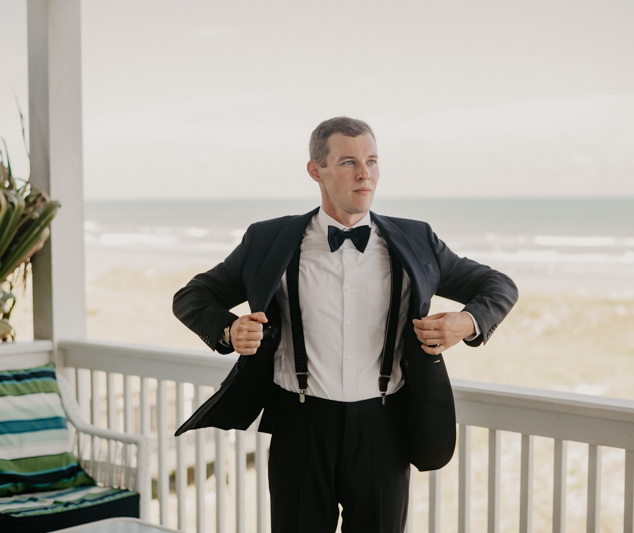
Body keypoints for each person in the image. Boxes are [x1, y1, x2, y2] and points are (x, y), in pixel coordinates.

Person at [173, 116, 518, 533]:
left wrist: (467, 321)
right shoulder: (269, 241)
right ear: (315, 170)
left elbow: (497, 285)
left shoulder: (415, 239)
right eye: (349, 162)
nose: (365, 175)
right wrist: (229, 330)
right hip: (299, 427)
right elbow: (191, 296)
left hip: (384, 428)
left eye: (372, 161)